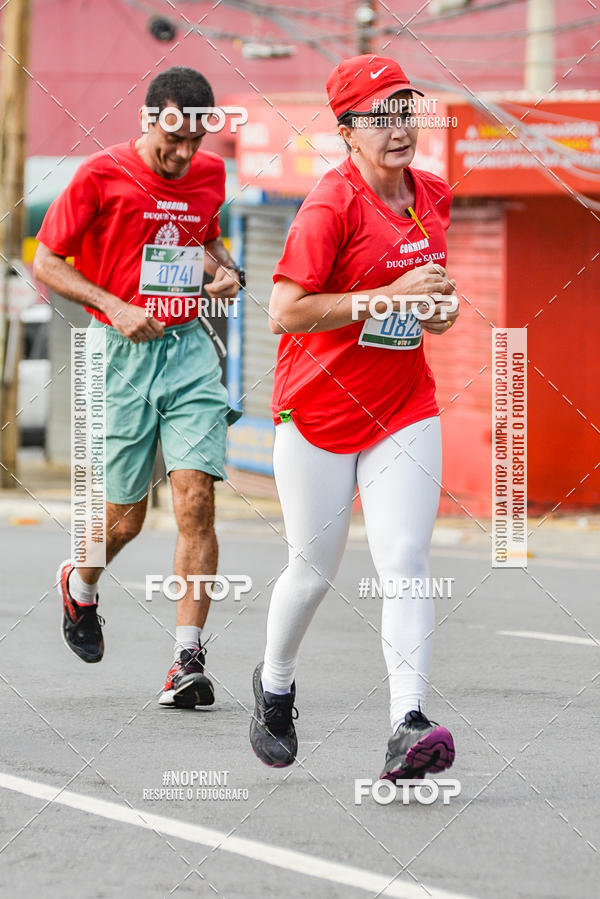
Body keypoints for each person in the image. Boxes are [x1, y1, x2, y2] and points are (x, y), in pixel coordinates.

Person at [249, 55, 459, 781]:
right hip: (317, 410)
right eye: (380, 116)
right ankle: (275, 684)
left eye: (407, 109)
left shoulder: (432, 195)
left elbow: (424, 304)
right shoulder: (330, 205)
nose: (400, 127)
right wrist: (389, 295)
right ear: (347, 132)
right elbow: (284, 310)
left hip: (403, 405)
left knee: (405, 562)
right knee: (312, 570)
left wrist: (439, 307)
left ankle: (408, 723)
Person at [33, 66, 243, 708]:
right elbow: (45, 263)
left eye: (195, 142)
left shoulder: (209, 176)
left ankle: (186, 660)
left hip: (187, 352)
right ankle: (81, 582)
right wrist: (115, 307)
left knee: (195, 500)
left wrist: (225, 271)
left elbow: (204, 240)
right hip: (121, 352)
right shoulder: (100, 175)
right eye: (171, 141)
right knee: (123, 520)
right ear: (149, 120)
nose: (183, 156)